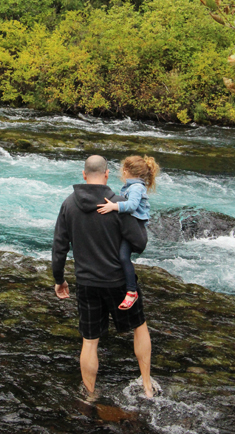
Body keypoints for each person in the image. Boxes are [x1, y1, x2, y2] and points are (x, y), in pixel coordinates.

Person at [52, 155, 154, 398]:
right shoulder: (119, 203)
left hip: (87, 283)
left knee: (89, 341)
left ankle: (89, 396)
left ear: (84, 174)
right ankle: (148, 388)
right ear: (107, 174)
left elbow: (59, 248)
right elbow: (139, 244)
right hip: (119, 282)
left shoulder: (68, 204)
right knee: (139, 327)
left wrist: (59, 280)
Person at [97, 155, 160, 311]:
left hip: (135, 229)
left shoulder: (136, 188)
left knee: (124, 257)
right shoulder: (130, 187)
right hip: (126, 227)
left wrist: (114, 206)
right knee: (116, 254)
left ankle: (131, 291)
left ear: (126, 171)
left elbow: (131, 206)